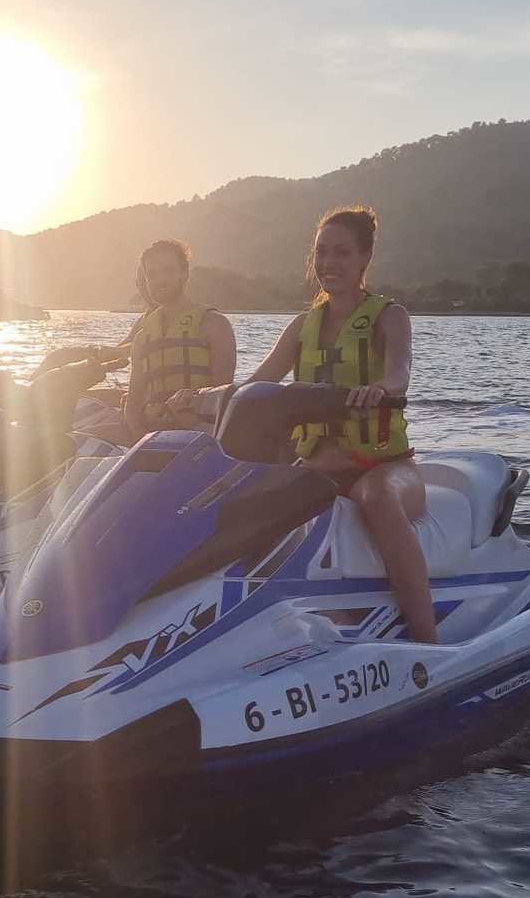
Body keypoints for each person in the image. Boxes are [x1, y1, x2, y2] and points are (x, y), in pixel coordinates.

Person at [179, 206, 436, 643]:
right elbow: (255, 385)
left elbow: (400, 372)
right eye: (321, 253)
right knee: (246, 505)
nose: (328, 263)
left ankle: (429, 639)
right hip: (319, 466)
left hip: (384, 467)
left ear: (363, 259)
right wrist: (195, 398)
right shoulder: (302, 327)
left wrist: (379, 389)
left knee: (376, 501)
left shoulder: (390, 316)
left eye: (341, 253)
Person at [121, 239, 236, 435]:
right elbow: (133, 407)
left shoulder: (214, 325)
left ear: (185, 274)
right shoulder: (143, 337)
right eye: (152, 274)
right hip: (152, 435)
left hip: (200, 436)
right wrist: (144, 442)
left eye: (168, 271)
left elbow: (224, 397)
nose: (160, 280)